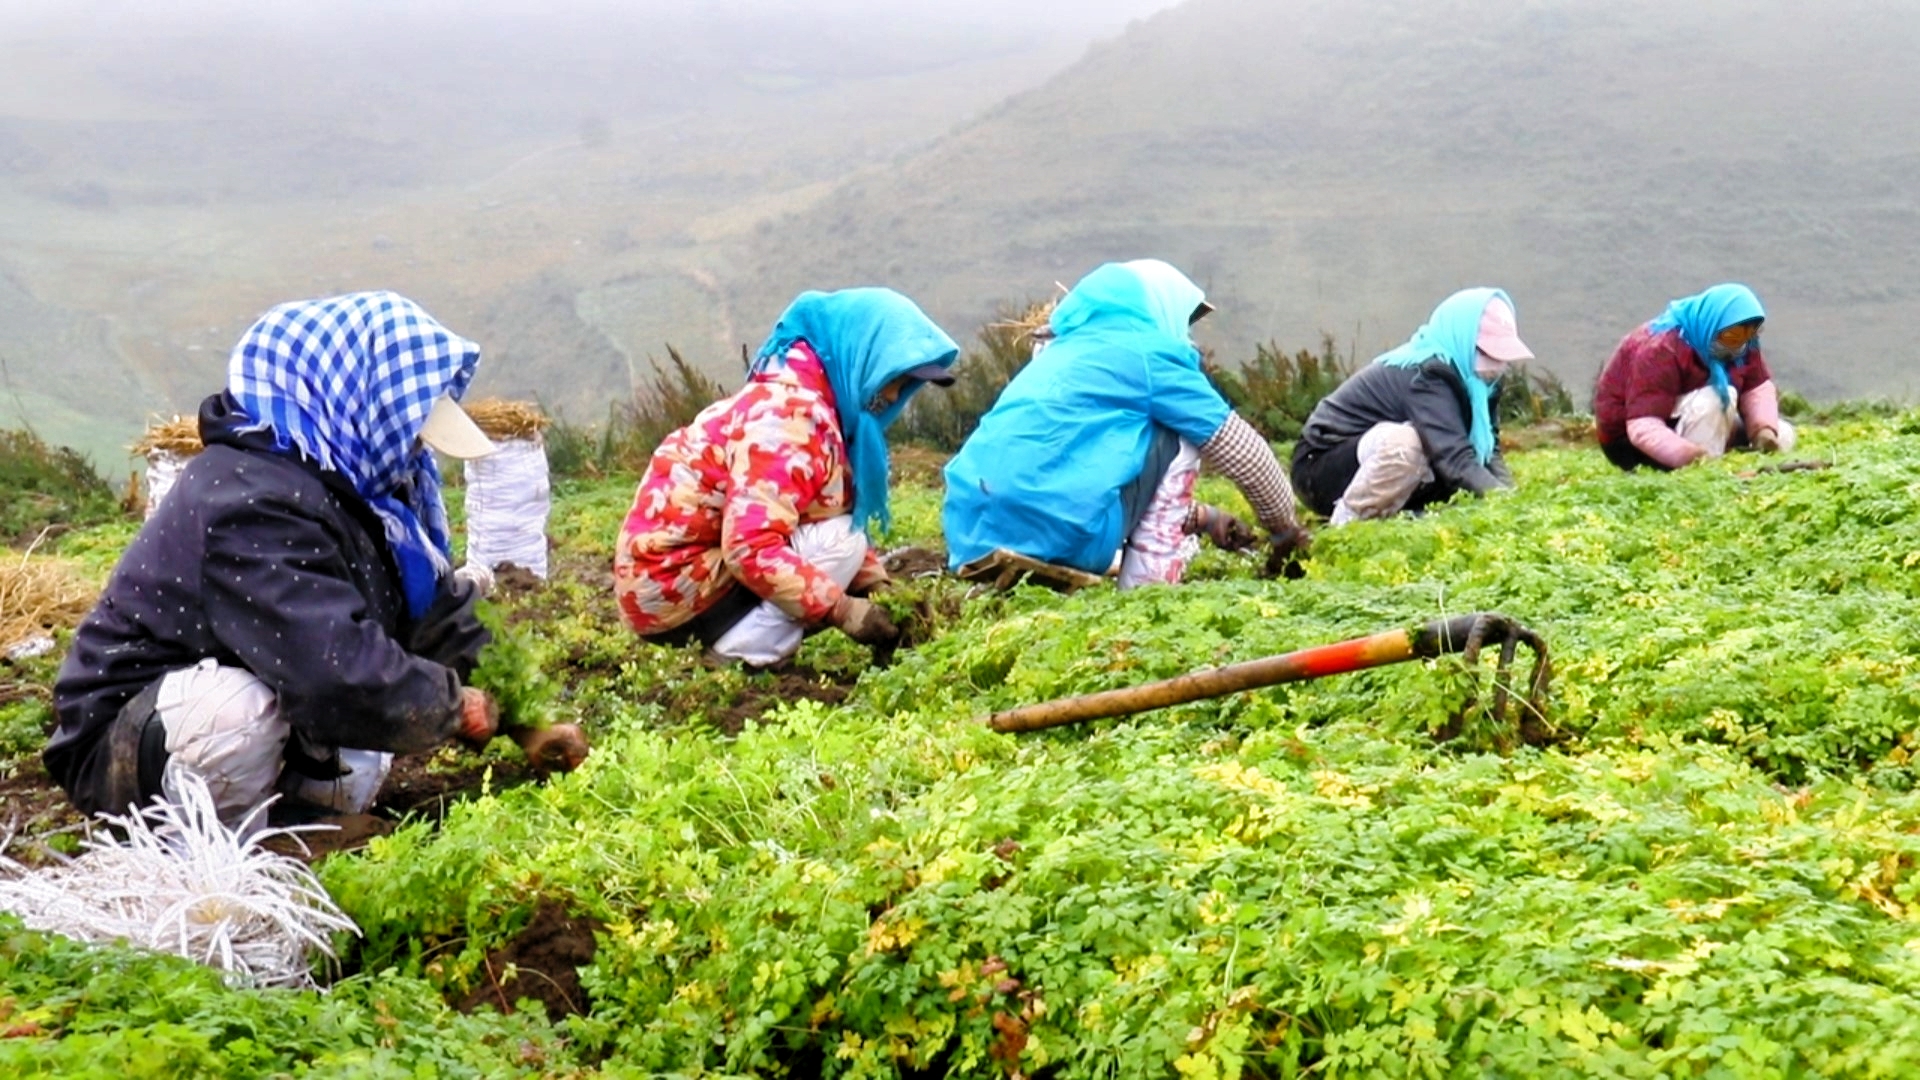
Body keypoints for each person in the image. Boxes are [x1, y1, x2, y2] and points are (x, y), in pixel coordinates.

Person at [46, 291, 503, 826]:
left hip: (261, 684)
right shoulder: (247, 499)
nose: (413, 454)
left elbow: (434, 616)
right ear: (355, 401)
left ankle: (289, 828)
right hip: (131, 736)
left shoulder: (355, 495)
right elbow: (332, 670)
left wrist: (526, 717)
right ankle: (210, 850)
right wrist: (453, 707)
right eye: (407, 432)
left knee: (358, 759)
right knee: (235, 719)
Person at [615, 288, 960, 668]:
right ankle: (741, 654)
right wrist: (844, 610)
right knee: (843, 541)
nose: (894, 396)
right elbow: (750, 546)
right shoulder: (788, 417)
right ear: (861, 357)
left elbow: (816, 512)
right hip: (674, 588)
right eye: (893, 378)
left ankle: (745, 637)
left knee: (843, 537)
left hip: (672, 586)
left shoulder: (808, 403)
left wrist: (879, 591)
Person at [942, 259, 1311, 588]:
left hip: (971, 534)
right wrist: (1284, 531)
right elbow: (1245, 454)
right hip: (1061, 536)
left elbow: (1075, 473)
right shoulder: (1149, 355)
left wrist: (1204, 517)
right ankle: (1148, 589)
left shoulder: (1057, 352)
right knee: (1182, 433)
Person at [1292, 288, 1531, 525]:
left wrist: (1512, 500)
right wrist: (1504, 503)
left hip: (1376, 467)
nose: (1497, 365)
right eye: (1487, 352)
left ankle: (1395, 518)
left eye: (1502, 356)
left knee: (1447, 463)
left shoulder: (1478, 381)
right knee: (1409, 444)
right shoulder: (1428, 374)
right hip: (1321, 470)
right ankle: (1348, 525)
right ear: (1463, 339)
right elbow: (1454, 458)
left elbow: (1491, 451)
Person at [1593, 283, 1794, 470]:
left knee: (1783, 433)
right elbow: (1643, 425)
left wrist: (1763, 431)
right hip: (1628, 443)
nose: (1741, 345)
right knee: (1717, 398)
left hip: (1688, 420)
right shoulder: (1661, 349)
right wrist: (1693, 457)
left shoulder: (1742, 343)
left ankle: (1721, 459)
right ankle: (1703, 470)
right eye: (1734, 334)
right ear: (1715, 324)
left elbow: (1756, 388)